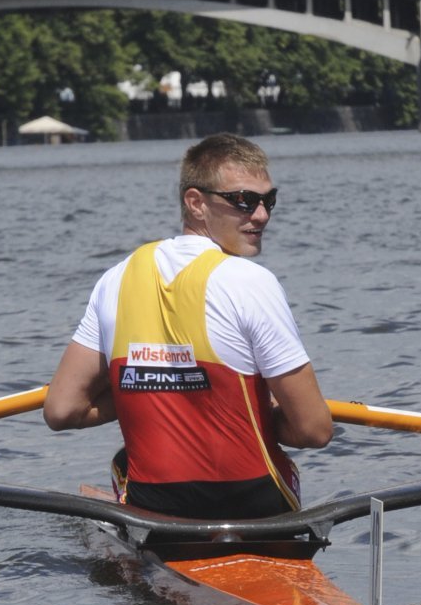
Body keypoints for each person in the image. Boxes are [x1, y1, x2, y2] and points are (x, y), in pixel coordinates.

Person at [44, 132, 332, 520]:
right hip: (253, 505)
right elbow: (315, 430)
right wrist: (260, 410)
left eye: (269, 200)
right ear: (195, 203)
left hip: (153, 505)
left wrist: (147, 385)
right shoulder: (250, 281)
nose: (261, 215)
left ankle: (136, 521)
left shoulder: (116, 277)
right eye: (243, 201)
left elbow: (63, 410)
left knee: (124, 461)